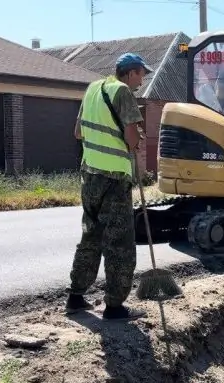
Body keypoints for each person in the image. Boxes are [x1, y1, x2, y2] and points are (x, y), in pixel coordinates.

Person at [64, 53, 154, 320]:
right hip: (114, 178)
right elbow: (130, 138)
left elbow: (78, 133)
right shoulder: (123, 91)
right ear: (130, 72)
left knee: (91, 236)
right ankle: (115, 306)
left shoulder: (93, 88)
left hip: (90, 175)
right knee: (119, 242)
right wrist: (135, 139)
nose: (142, 80)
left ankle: (76, 296)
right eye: (141, 74)